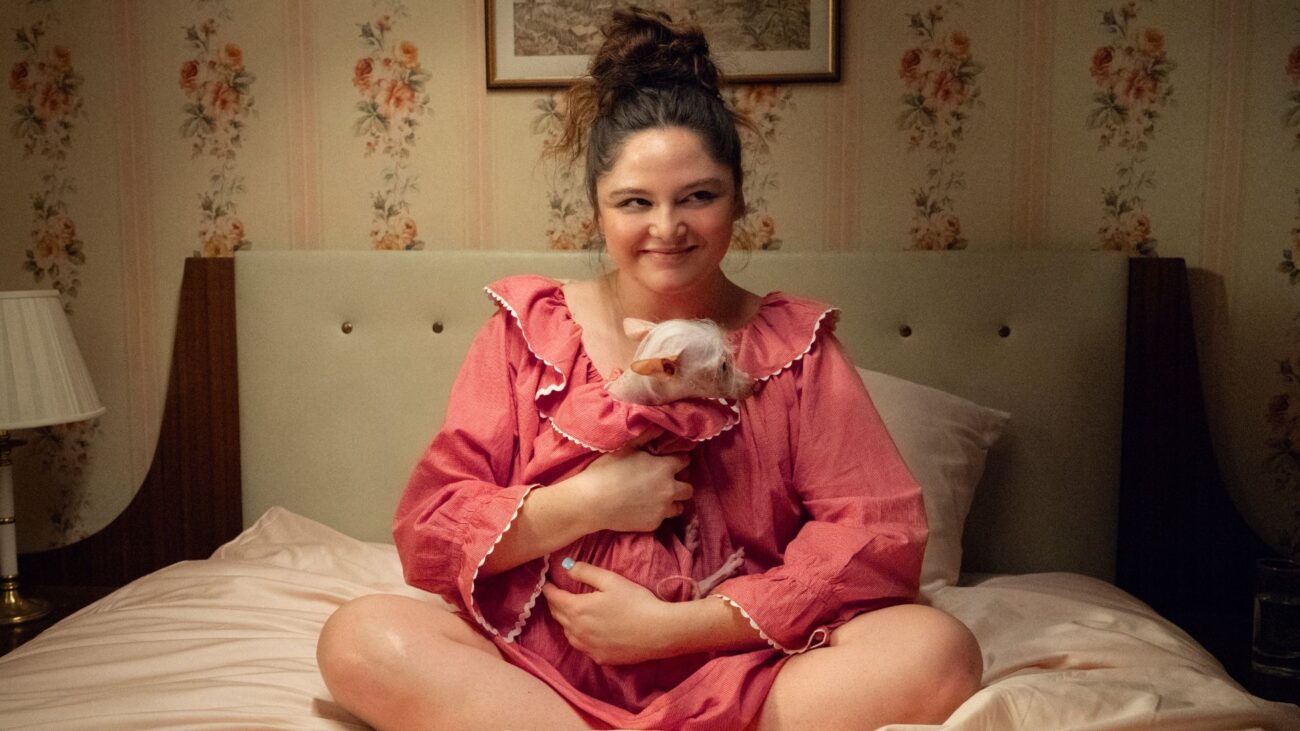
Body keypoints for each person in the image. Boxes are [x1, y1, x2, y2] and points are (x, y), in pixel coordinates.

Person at [316, 8, 982, 730]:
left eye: (699, 196)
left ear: (739, 198)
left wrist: (678, 626)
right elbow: (431, 531)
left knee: (939, 651)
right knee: (356, 639)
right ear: (598, 211)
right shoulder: (529, 331)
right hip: (541, 672)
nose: (668, 228)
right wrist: (589, 500)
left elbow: (874, 538)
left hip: (740, 667)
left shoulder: (793, 345)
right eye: (635, 202)